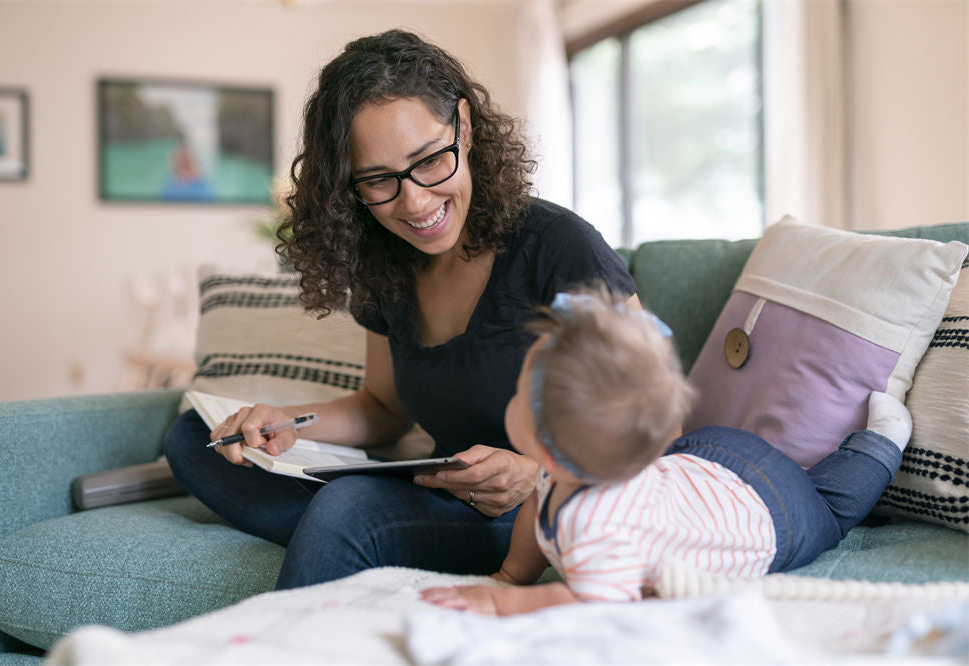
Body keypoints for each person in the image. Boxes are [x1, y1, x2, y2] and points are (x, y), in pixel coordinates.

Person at [163, 29, 636, 589]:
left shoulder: (560, 247)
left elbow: (653, 423)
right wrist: (285, 421)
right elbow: (384, 408)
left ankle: (352, 538)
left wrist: (535, 475)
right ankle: (364, 542)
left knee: (348, 509)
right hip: (435, 497)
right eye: (378, 180)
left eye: (430, 160)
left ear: (463, 126)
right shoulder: (387, 262)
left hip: (528, 516)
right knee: (199, 437)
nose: (414, 202)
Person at [420, 289, 912, 615]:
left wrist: (502, 602)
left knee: (832, 507)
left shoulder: (596, 522)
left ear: (548, 446)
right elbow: (536, 511)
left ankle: (882, 442)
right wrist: (511, 575)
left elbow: (590, 606)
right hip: (706, 454)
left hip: (772, 511)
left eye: (518, 394)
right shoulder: (558, 474)